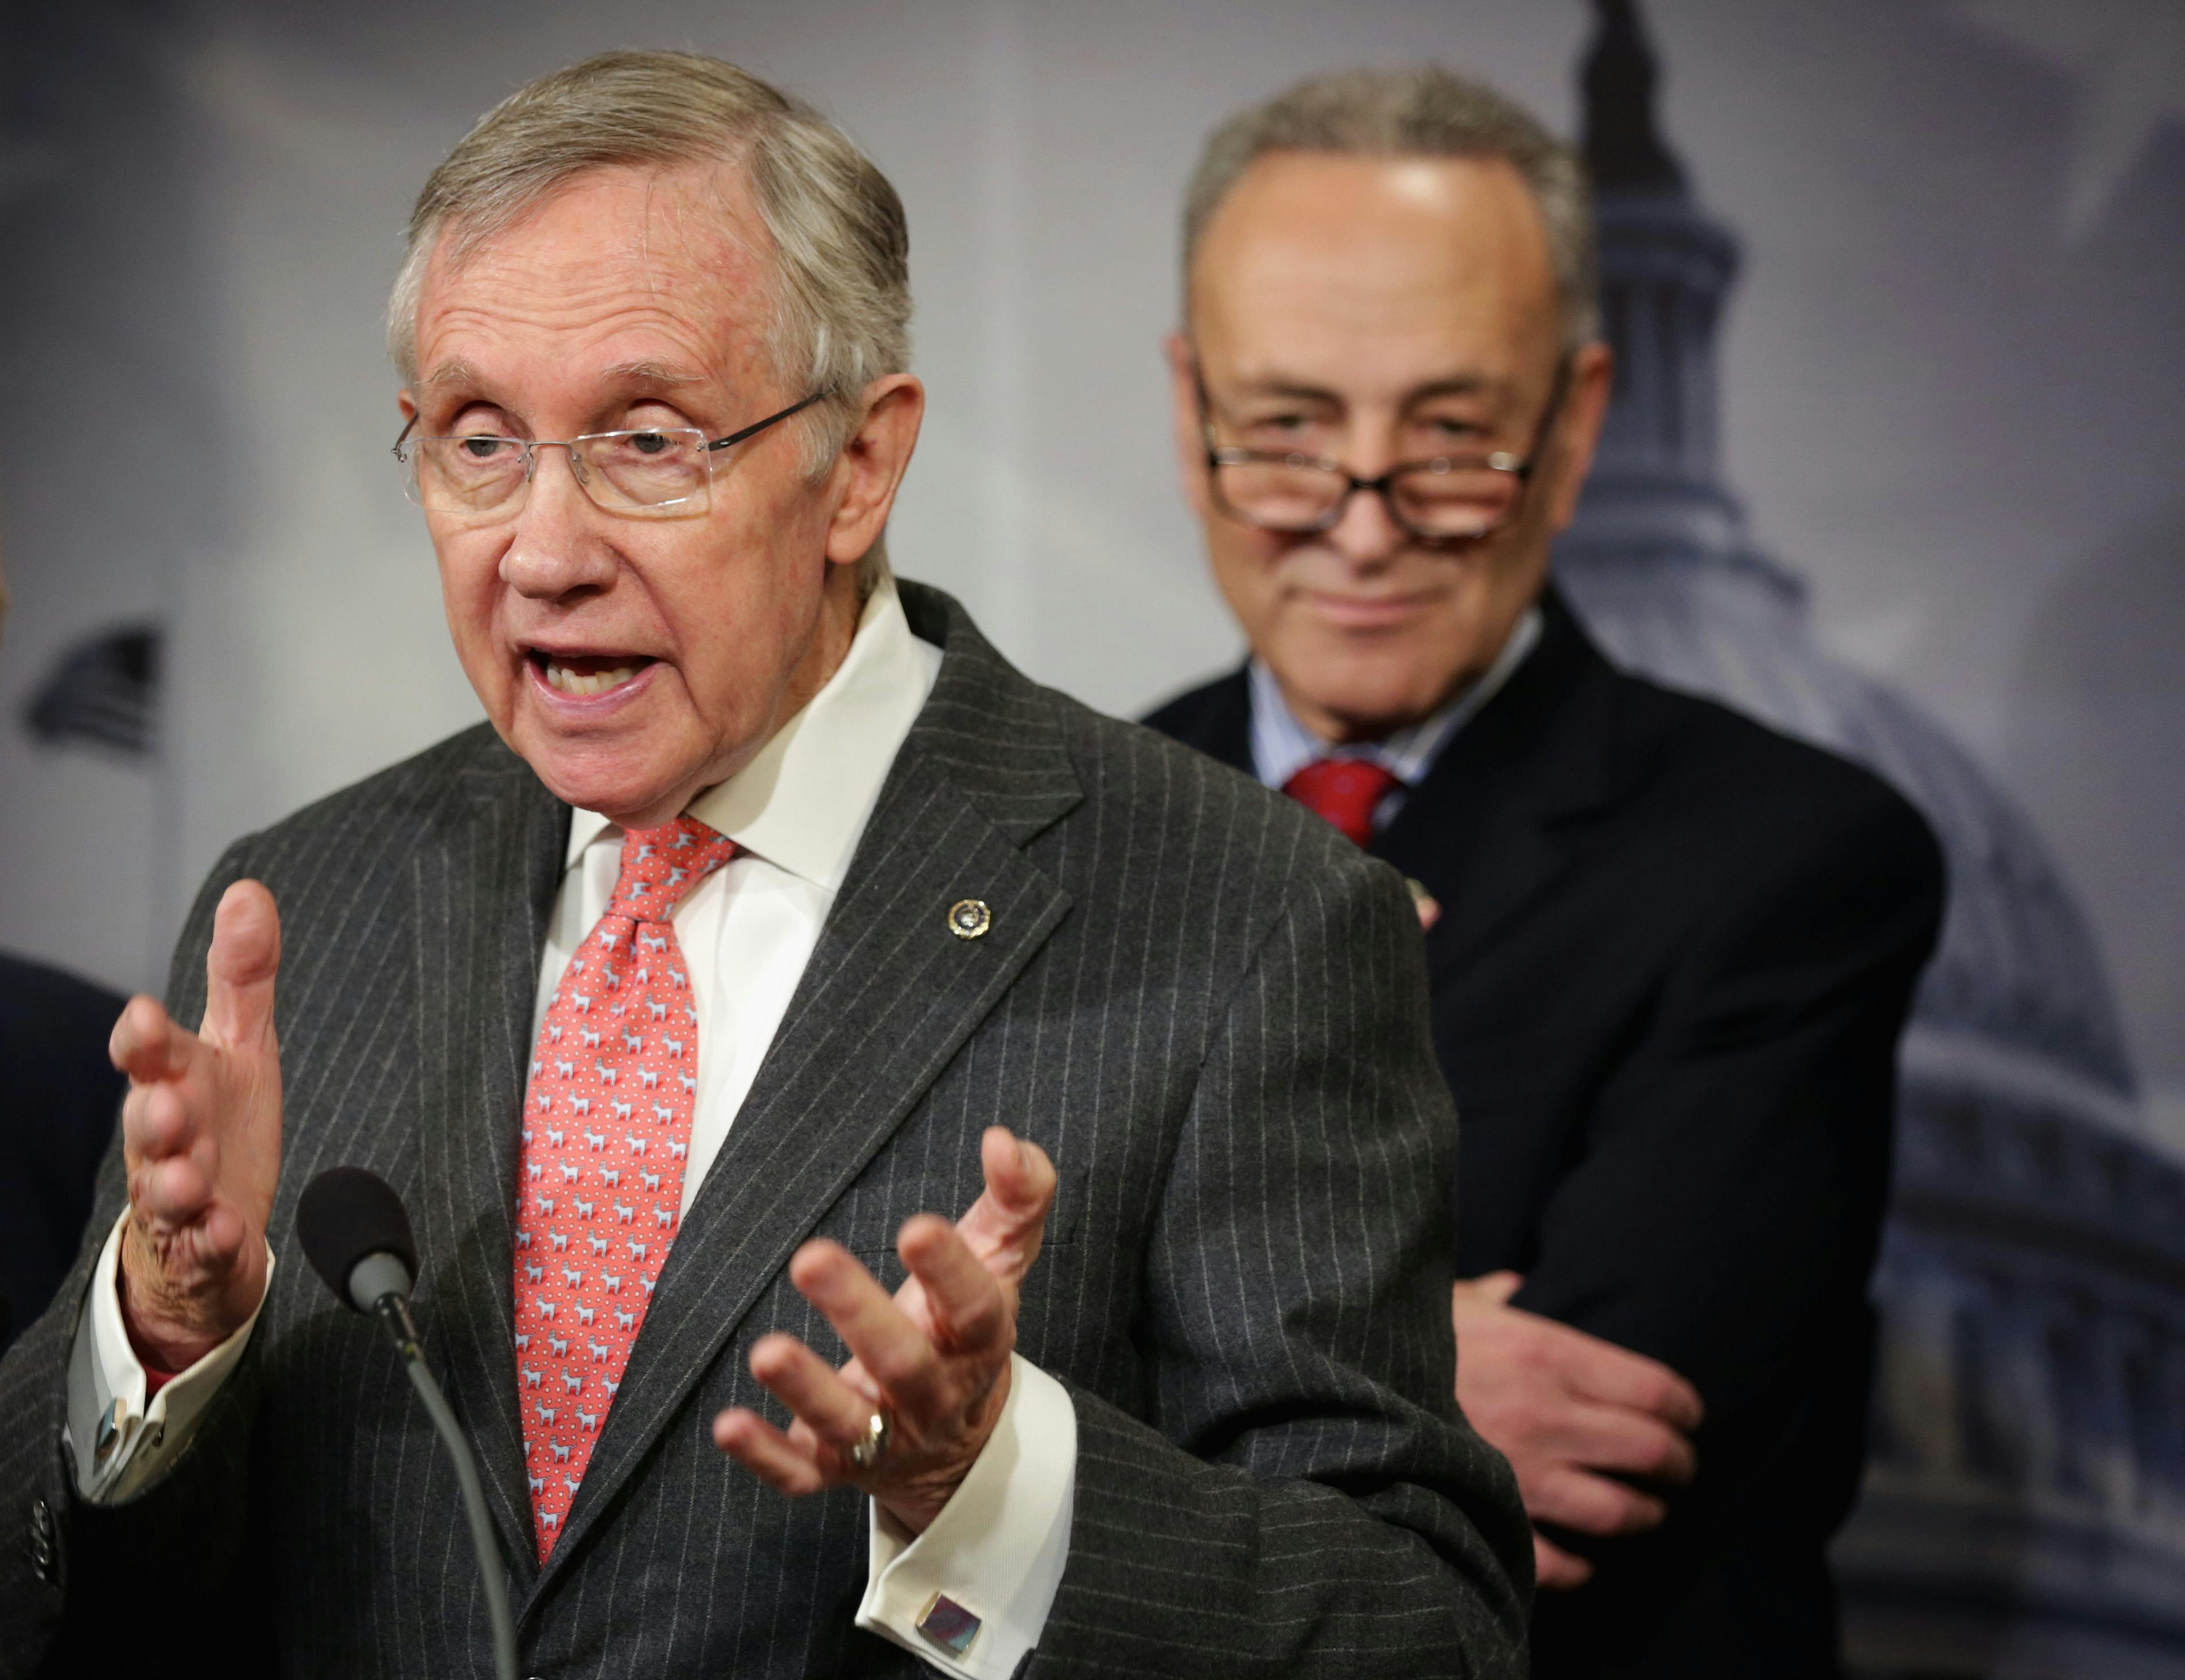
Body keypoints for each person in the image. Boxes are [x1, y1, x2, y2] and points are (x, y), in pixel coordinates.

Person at [0, 52, 1531, 1680]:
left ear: (859, 465)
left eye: (649, 441)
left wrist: (989, 1494)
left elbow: (1423, 1628)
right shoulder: (304, 905)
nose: (543, 551)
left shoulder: (1244, 917)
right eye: (479, 440)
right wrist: (164, 1338)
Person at [1144, 67, 1945, 1677]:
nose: (1364, 527)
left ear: (1574, 428)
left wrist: (1038, 1402)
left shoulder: (1794, 859)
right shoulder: (1059, 824)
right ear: (1192, 413)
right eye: (1289, 432)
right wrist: (1413, 1361)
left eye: (1451, 438)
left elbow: (1570, 1460)